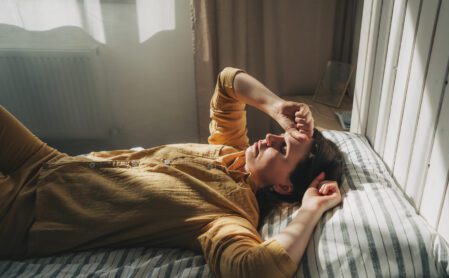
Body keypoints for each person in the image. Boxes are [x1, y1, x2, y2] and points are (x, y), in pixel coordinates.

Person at [0, 67, 345, 277]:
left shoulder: (231, 217)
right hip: (44, 161)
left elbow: (258, 268)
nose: (269, 137)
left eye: (281, 148)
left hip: (24, 215)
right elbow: (227, 83)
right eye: (278, 133)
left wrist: (311, 208)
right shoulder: (230, 150)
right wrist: (276, 107)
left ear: (285, 187)